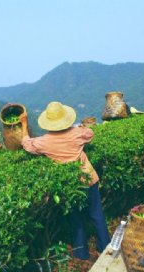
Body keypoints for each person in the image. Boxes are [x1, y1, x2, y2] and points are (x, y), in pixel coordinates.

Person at [19, 101, 110, 260]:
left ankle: (81, 253)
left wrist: (24, 124)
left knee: (76, 219)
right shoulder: (76, 133)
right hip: (89, 180)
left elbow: (26, 144)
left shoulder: (44, 141)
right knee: (97, 214)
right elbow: (90, 133)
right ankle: (105, 246)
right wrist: (77, 127)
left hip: (70, 185)